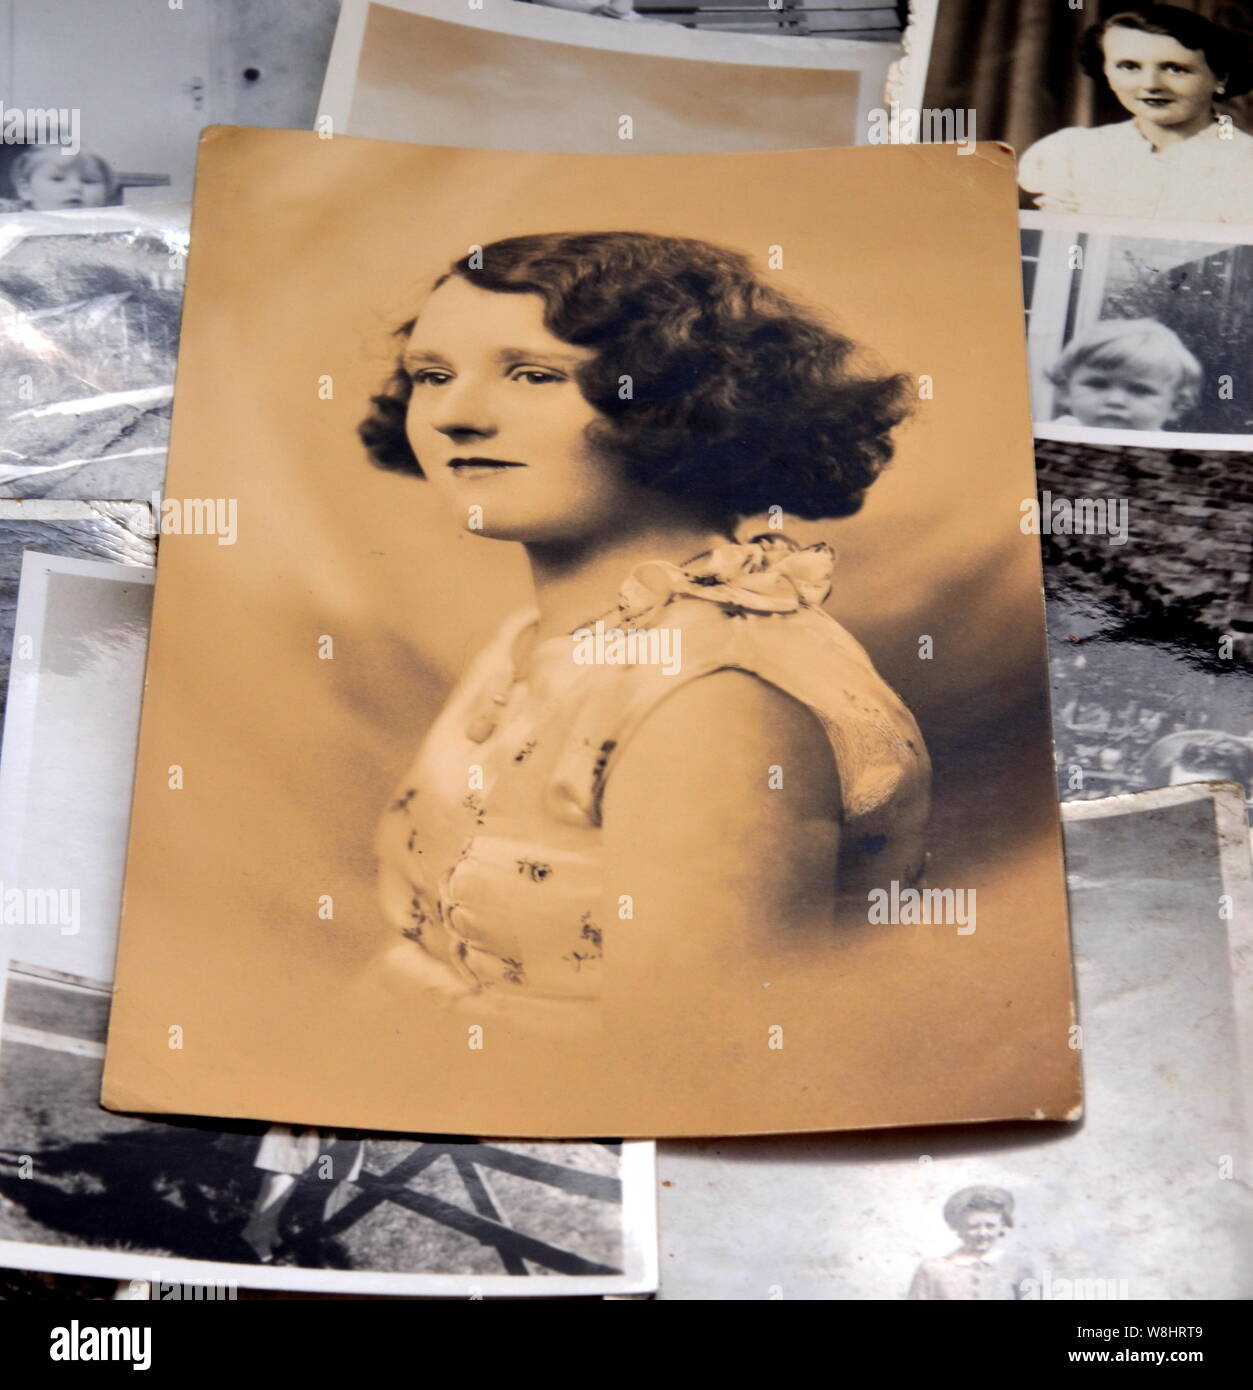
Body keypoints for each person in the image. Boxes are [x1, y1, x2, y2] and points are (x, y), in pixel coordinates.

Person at [359, 231, 931, 1025]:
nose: (454, 416)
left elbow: (701, 1071)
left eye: (531, 375)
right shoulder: (534, 637)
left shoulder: (714, 699)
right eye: (431, 376)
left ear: (676, 401)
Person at [1019, 6, 1253, 222]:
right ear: (1106, 72)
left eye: (1175, 69)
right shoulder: (1072, 153)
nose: (1150, 84)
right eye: (1129, 67)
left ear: (1220, 77)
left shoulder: (1245, 163)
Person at [1044, 318, 1201, 431]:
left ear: (1175, 404)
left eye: (1140, 389)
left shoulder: (1174, 452)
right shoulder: (1056, 434)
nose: (1115, 401)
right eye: (1097, 384)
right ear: (1066, 390)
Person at [907, 1186, 1036, 1300]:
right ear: (958, 1227)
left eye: (990, 1226)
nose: (982, 1233)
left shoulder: (1019, 1267)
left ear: (1002, 1226)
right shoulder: (932, 1270)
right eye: (973, 1226)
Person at [1, 148, 117, 212]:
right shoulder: (13, 222)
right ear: (26, 189)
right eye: (58, 179)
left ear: (106, 192)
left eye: (88, 181)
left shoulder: (110, 229)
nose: (76, 187)